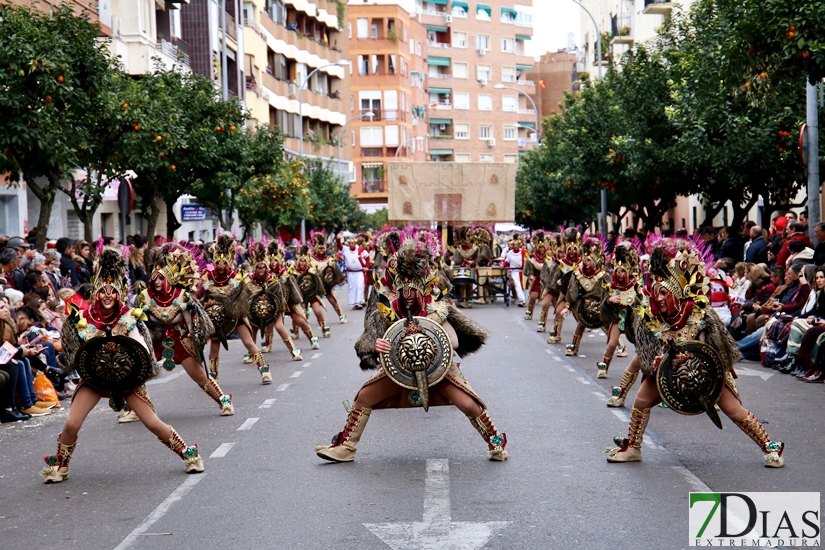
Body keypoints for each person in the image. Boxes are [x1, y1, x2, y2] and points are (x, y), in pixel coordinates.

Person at [314, 235, 508, 463]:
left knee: (468, 404)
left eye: (412, 291)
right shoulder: (386, 304)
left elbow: (453, 342)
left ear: (421, 290)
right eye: (402, 290)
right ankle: (346, 447)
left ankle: (496, 442)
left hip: (436, 366)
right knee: (364, 397)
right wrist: (377, 346)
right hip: (398, 365)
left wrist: (429, 335)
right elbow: (373, 336)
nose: (407, 296)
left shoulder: (437, 306)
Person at [606, 238, 785, 468]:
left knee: (733, 410)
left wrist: (714, 363)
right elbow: (647, 353)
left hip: (704, 374)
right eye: (656, 293)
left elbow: (717, 348)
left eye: (664, 293)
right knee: (640, 400)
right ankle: (633, 448)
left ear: (676, 293)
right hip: (668, 371)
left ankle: (770, 447)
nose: (659, 298)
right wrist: (658, 361)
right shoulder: (650, 317)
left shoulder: (699, 313)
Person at [40, 249, 204, 483]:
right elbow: (74, 354)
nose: (108, 296)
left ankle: (190, 455)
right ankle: (61, 466)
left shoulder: (130, 318)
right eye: (103, 292)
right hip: (95, 379)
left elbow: (143, 352)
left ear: (119, 294)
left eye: (113, 292)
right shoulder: (82, 317)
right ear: (96, 293)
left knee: (153, 424)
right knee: (71, 423)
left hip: (128, 379)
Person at [139, 242, 234, 416]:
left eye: (161, 278)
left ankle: (223, 400)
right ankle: (136, 409)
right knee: (139, 374)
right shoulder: (144, 297)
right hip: (156, 340)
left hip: (181, 340)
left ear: (169, 278)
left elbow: (192, 323)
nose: (157, 282)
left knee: (200, 377)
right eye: (155, 278)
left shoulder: (182, 296)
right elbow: (141, 323)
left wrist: (195, 338)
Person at [203, 234, 270, 383]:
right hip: (216, 318)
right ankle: (214, 376)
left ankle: (264, 369)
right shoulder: (207, 277)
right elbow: (201, 297)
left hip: (235, 315)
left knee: (248, 342)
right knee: (214, 346)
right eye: (218, 262)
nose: (220, 265)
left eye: (224, 262)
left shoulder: (236, 276)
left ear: (228, 261)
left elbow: (245, 296)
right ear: (214, 261)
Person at [600, 243, 641, 385]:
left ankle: (647, 375)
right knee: (611, 345)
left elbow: (643, 303)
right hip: (618, 319)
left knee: (640, 348)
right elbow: (602, 304)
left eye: (623, 270)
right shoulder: (611, 286)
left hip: (633, 321)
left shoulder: (636, 285)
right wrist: (609, 300)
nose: (619, 273)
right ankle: (604, 367)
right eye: (617, 270)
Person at [546, 228, 581, 346]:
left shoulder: (583, 263)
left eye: (574, 249)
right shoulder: (562, 263)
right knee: (558, 312)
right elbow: (554, 280)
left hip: (579, 296)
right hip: (565, 295)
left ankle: (618, 344)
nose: (572, 252)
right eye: (569, 249)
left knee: (581, 319)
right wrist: (558, 282)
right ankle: (556, 335)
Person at [309, 232, 347, 322]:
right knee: (308, 303)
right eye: (319, 248)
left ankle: (341, 315)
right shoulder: (310, 259)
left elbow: (335, 273)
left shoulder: (329, 260)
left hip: (326, 285)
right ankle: (302, 322)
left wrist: (333, 282)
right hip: (315, 286)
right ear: (315, 248)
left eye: (323, 248)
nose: (321, 250)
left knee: (332, 300)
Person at [341, 237, 367, 310]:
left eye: (352, 243)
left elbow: (367, 257)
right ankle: (354, 304)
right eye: (349, 243)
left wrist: (366, 267)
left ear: (355, 243)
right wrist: (338, 238)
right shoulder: (346, 249)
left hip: (360, 272)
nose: (351, 245)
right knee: (352, 287)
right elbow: (339, 246)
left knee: (359, 286)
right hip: (351, 273)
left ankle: (359, 302)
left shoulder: (360, 249)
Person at [502, 234, 527, 307]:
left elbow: (528, 261)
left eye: (517, 244)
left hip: (522, 271)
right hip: (514, 271)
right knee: (517, 285)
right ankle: (521, 300)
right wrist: (502, 265)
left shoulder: (523, 252)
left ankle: (523, 299)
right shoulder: (510, 253)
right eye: (514, 244)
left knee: (523, 286)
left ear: (519, 245)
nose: (516, 246)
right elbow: (507, 261)